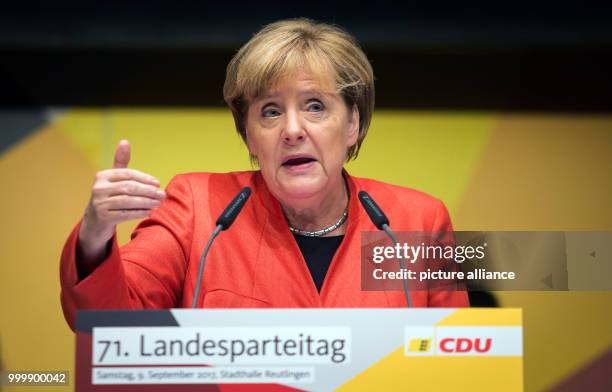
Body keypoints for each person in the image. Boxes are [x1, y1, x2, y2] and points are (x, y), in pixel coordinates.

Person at [60, 18, 468, 330]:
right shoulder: (199, 209)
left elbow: (460, 364)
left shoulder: (417, 222)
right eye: (270, 112)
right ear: (250, 137)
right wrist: (95, 234)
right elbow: (110, 325)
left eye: (315, 106)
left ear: (352, 125)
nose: (292, 130)